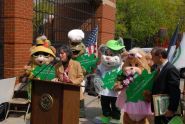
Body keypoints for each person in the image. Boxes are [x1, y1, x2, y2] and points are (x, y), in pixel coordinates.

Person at [151, 47, 180, 124]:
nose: (151, 59)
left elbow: (175, 91)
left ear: (160, 56)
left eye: (153, 56)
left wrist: (171, 109)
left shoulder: (171, 69)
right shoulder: (158, 68)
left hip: (166, 109)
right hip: (159, 107)